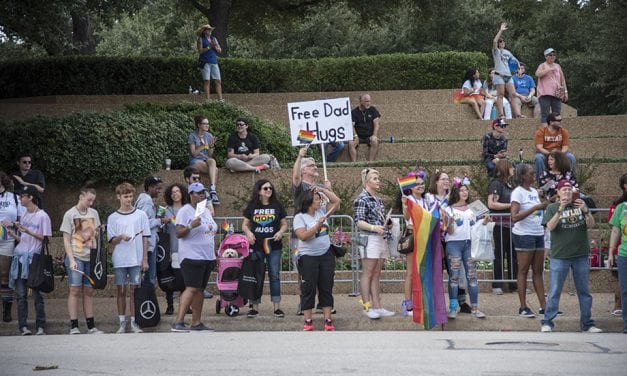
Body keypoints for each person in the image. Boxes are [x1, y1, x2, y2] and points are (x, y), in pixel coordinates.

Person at [541, 180, 601, 333]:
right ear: (559, 192)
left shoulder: (580, 205)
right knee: (555, 290)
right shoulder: (552, 208)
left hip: (580, 254)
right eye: (564, 190)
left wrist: (586, 211)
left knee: (584, 291)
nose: (567, 192)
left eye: (569, 189)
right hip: (560, 255)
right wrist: (560, 209)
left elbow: (591, 224)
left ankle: (587, 323)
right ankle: (547, 321)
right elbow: (550, 227)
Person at [292, 146, 336, 314]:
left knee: (321, 272)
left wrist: (328, 189)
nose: (315, 166)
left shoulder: (319, 188)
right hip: (301, 233)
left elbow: (331, 206)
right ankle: (303, 303)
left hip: (320, 234)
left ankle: (322, 303)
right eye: (311, 165)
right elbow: (295, 176)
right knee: (304, 272)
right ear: (304, 170)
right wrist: (299, 156)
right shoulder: (300, 186)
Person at [171, 182, 218, 332]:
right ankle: (178, 322)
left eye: (203, 192)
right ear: (191, 194)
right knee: (191, 288)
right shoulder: (185, 211)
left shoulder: (204, 210)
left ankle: (196, 323)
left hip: (207, 257)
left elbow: (209, 232)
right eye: (198, 192)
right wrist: (191, 226)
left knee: (199, 289)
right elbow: (178, 233)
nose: (201, 195)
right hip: (192, 256)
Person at [293, 186, 340, 331]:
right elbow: (303, 236)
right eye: (316, 199)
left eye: (319, 198)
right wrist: (316, 227)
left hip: (325, 255)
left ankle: (328, 319)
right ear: (307, 201)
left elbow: (337, 201)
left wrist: (322, 190)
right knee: (309, 288)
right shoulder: (299, 217)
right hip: (308, 257)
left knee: (326, 286)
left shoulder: (322, 212)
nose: (319, 201)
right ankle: (308, 320)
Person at [60, 184, 104, 334]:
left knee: (89, 291)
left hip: (89, 257)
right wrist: (71, 259)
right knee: (74, 289)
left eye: (92, 201)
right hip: (76, 256)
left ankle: (91, 325)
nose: (90, 203)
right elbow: (66, 239)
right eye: (88, 200)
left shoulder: (94, 213)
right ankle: (74, 325)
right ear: (81, 197)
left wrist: (96, 238)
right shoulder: (70, 214)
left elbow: (96, 234)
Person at [107, 182, 150, 334]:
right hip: (120, 259)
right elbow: (111, 240)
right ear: (118, 197)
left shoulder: (141, 215)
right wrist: (121, 237)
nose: (129, 199)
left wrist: (144, 259)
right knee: (121, 290)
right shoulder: (113, 217)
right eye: (125, 196)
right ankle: (121, 322)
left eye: (131, 196)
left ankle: (133, 322)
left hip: (135, 259)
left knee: (133, 290)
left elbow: (146, 238)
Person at [242, 179, 289, 318]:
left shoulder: (277, 206)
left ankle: (277, 307)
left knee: (274, 275)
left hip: (273, 246)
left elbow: (284, 224)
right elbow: (245, 224)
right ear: (259, 191)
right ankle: (254, 306)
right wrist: (249, 233)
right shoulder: (252, 206)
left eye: (270, 188)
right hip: (256, 245)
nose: (269, 190)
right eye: (265, 188)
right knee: (256, 275)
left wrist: (280, 232)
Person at [10, 186, 51, 335]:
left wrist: (29, 231)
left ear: (31, 197)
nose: (20, 198)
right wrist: (14, 234)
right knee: (20, 295)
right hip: (21, 257)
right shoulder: (25, 215)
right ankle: (23, 327)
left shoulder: (42, 216)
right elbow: (24, 240)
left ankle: (41, 326)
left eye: (23, 196)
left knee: (36, 295)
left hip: (34, 260)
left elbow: (46, 239)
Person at [354, 168, 395, 319]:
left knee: (376, 273)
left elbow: (380, 218)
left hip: (380, 238)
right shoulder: (362, 198)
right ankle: (367, 306)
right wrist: (373, 227)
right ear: (366, 182)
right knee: (368, 272)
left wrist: (387, 223)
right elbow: (359, 221)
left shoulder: (378, 199)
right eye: (374, 178)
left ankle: (377, 306)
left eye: (378, 178)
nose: (378, 181)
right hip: (369, 238)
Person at [445, 179, 488, 319]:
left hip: (469, 244)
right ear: (455, 192)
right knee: (454, 277)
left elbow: (483, 223)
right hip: (453, 245)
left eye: (466, 190)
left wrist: (486, 220)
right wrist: (449, 223)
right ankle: (453, 308)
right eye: (461, 190)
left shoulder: (474, 207)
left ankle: (475, 308)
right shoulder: (448, 209)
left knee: (472, 276)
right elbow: (449, 232)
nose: (464, 192)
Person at [510, 164, 548, 318]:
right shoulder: (517, 193)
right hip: (524, 235)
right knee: (523, 270)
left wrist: (546, 204)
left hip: (538, 232)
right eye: (531, 174)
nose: (534, 176)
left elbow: (537, 209)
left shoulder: (533, 191)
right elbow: (514, 217)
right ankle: (523, 307)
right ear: (523, 176)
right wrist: (535, 208)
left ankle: (544, 306)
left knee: (538, 272)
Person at [398, 170, 429, 316]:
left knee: (422, 271)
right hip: (413, 235)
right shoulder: (408, 199)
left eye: (422, 184)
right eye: (417, 184)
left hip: (424, 236)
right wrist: (404, 205)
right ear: (410, 186)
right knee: (411, 272)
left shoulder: (427, 200)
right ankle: (408, 303)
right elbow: (407, 217)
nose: (420, 186)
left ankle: (420, 301)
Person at [487, 159, 517, 294]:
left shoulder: (512, 184)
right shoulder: (496, 183)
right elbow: (492, 204)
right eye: (511, 167)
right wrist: (510, 206)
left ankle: (514, 284)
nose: (513, 170)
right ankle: (497, 284)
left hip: (512, 225)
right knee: (499, 254)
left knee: (513, 255)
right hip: (499, 224)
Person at [162, 183, 189, 315]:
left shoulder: (188, 208)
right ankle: (170, 305)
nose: (175, 194)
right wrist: (163, 221)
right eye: (172, 192)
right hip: (172, 248)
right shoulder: (166, 209)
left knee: (185, 279)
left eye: (177, 191)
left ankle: (185, 305)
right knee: (171, 278)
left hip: (186, 248)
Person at [136, 176, 167, 289]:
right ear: (149, 188)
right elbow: (144, 224)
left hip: (147, 242)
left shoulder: (143, 199)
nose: (159, 191)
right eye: (157, 188)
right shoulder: (146, 201)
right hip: (147, 244)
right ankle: (147, 302)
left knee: (147, 276)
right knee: (149, 277)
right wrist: (160, 220)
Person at [0, 171, 23, 322]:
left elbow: (22, 222)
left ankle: (6, 310)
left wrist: (12, 223)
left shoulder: (14, 197)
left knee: (4, 275)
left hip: (7, 239)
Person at [607, 172, 627, 330]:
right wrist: (611, 252)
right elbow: (614, 230)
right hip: (624, 253)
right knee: (624, 288)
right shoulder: (620, 207)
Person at [534, 113, 577, 182]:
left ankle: (571, 181)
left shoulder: (564, 131)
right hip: (545, 154)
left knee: (571, 157)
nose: (561, 122)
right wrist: (551, 155)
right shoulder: (541, 132)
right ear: (551, 122)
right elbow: (539, 147)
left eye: (561, 120)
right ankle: (541, 183)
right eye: (558, 120)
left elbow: (565, 147)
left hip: (560, 153)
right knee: (538, 158)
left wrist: (558, 155)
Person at [492, 22, 522, 119]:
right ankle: (501, 115)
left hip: (508, 76)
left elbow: (515, 62)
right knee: (500, 95)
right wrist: (501, 30)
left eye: (503, 41)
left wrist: (518, 68)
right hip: (499, 75)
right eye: (500, 42)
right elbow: (494, 41)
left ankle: (518, 114)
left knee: (513, 94)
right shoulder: (496, 52)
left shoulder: (508, 52)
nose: (502, 43)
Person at [188, 115, 220, 205]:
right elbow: (193, 153)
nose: (207, 125)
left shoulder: (209, 136)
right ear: (199, 125)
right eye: (205, 123)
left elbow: (210, 154)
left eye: (208, 124)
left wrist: (211, 146)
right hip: (195, 161)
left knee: (212, 161)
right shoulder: (192, 136)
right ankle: (211, 194)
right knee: (215, 170)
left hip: (206, 160)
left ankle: (213, 189)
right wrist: (203, 146)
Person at [536, 48, 568, 127]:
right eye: (550, 55)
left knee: (557, 113)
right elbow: (537, 74)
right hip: (544, 93)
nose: (552, 56)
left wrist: (565, 92)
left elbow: (562, 79)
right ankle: (546, 132)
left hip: (556, 93)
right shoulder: (542, 65)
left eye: (554, 55)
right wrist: (548, 69)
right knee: (545, 113)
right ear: (546, 56)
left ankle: (557, 132)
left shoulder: (558, 66)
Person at [348, 94, 381, 162]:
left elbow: (376, 123)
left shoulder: (373, 110)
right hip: (358, 136)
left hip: (369, 136)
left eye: (369, 101)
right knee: (351, 143)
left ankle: (370, 162)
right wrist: (355, 135)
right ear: (361, 101)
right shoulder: (354, 112)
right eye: (366, 101)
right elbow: (351, 125)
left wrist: (374, 135)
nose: (368, 103)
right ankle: (354, 163)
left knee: (375, 141)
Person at [196, 24, 223, 101]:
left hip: (214, 61)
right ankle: (208, 100)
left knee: (218, 81)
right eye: (208, 29)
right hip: (205, 62)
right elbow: (200, 51)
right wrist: (209, 47)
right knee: (207, 81)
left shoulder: (214, 39)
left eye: (210, 29)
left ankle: (220, 100)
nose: (210, 31)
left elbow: (220, 51)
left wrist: (215, 47)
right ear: (204, 31)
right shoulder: (200, 39)